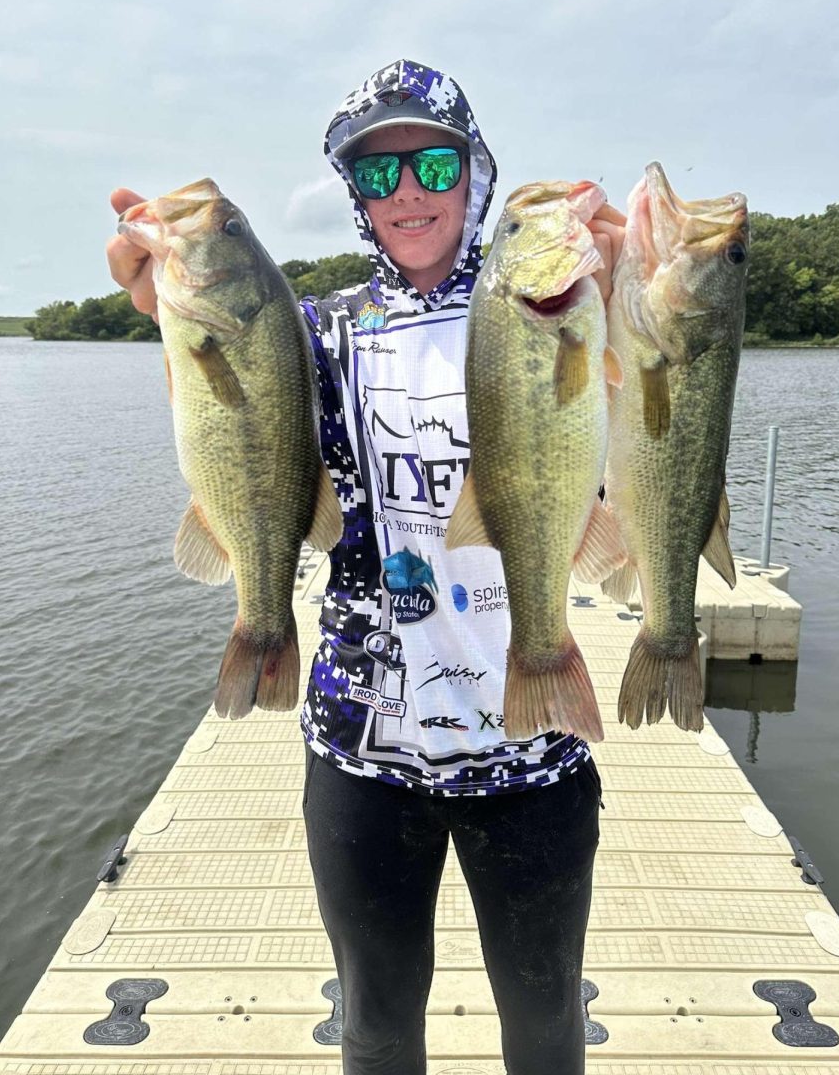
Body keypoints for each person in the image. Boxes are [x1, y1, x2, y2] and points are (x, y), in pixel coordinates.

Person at [107, 58, 625, 1075]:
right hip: (359, 748)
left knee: (546, 1022)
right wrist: (160, 298)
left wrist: (634, 277)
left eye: (432, 161)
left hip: (531, 758)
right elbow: (241, 390)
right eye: (377, 176)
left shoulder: (564, 299)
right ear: (353, 197)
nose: (408, 194)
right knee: (376, 1026)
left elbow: (656, 385)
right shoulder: (322, 330)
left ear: (475, 170)